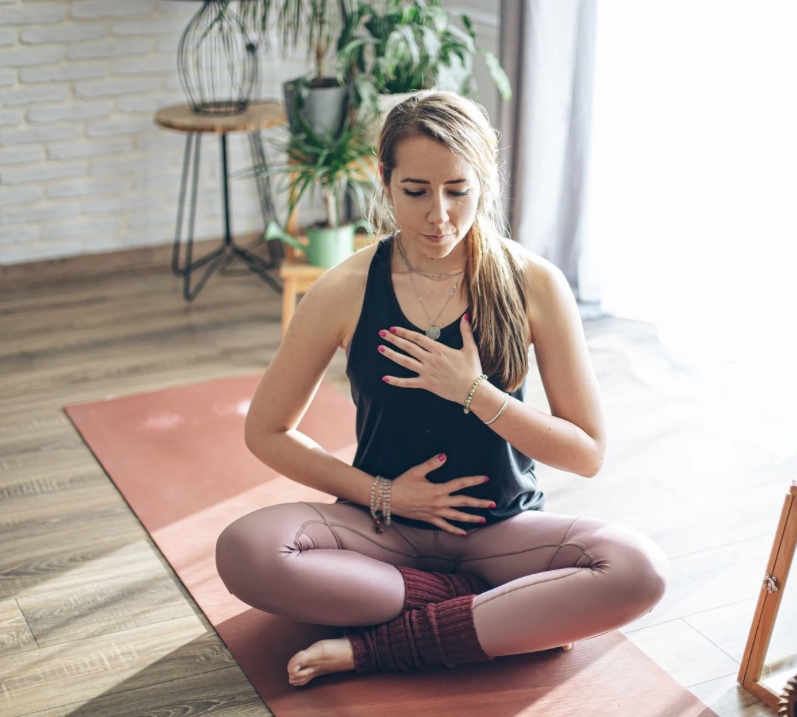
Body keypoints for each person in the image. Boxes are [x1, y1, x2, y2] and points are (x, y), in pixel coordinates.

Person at [215, 91, 669, 687]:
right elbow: (267, 431)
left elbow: (586, 452)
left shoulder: (536, 284)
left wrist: (474, 391)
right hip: (381, 530)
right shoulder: (345, 289)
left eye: (458, 190)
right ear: (385, 179)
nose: (439, 216)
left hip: (501, 532)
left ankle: (381, 646)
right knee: (245, 549)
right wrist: (384, 494)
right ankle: (488, 610)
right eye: (416, 191)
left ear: (485, 182)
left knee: (641, 569)